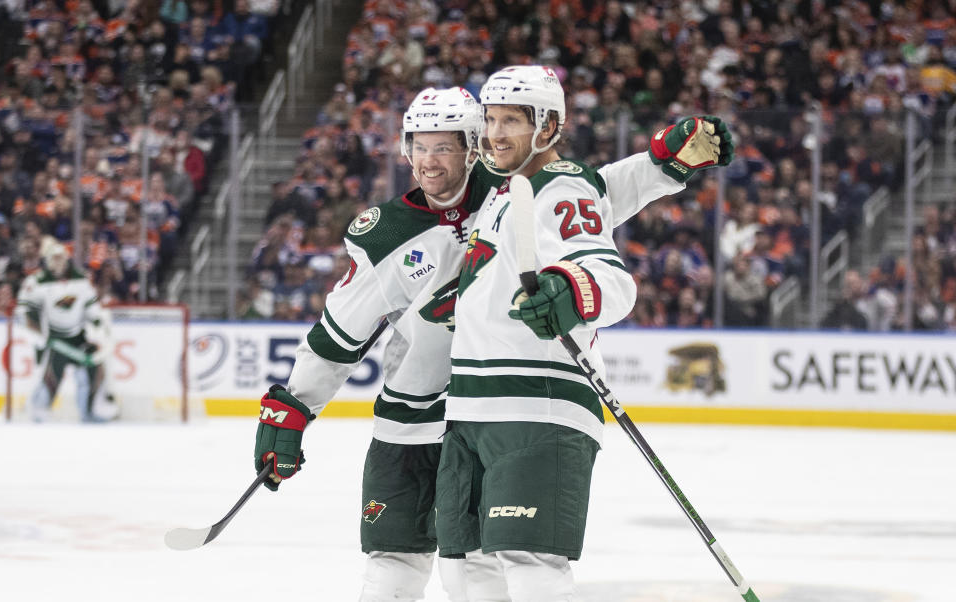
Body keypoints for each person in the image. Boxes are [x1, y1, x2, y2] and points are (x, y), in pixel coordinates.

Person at [251, 84, 731, 601]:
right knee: (394, 562)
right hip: (412, 418)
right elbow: (337, 336)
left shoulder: (511, 185)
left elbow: (594, 193)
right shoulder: (386, 235)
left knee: (488, 569)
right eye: (418, 146)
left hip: (487, 411)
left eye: (444, 146)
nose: (428, 161)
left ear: (472, 146)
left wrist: (662, 164)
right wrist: (295, 406)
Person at [435, 66, 732, 601]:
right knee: (465, 573)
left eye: (512, 121)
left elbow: (610, 278)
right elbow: (606, 189)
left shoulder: (559, 184)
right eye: (491, 118)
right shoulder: (512, 190)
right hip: (472, 412)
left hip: (537, 407)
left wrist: (571, 293)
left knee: (530, 568)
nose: (495, 132)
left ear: (548, 128)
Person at [15, 241, 112, 422]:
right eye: (54, 258)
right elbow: (25, 312)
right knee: (53, 374)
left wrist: (99, 324)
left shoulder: (81, 279)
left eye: (61, 257)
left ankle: (90, 409)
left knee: (94, 368)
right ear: (47, 260)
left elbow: (91, 308)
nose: (57, 262)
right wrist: (36, 335)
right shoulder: (36, 282)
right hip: (54, 338)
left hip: (78, 337)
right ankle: (39, 409)